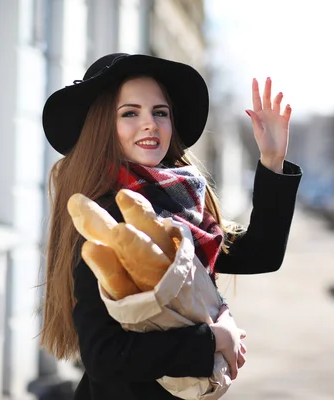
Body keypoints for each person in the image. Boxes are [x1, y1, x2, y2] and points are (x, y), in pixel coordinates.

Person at [39, 53, 302, 400]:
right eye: (130, 113)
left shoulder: (186, 206)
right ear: (103, 126)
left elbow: (261, 254)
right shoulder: (107, 217)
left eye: (159, 112)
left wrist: (271, 161)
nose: (149, 124)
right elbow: (103, 355)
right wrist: (212, 340)